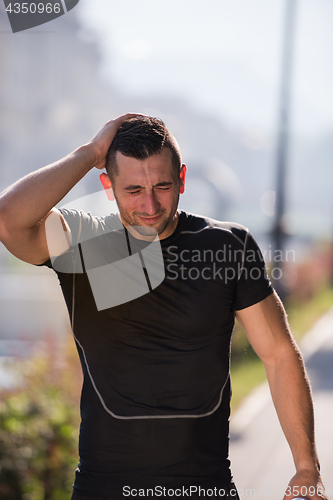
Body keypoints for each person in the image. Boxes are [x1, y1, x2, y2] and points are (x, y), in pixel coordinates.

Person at [0, 114, 327, 500]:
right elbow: (9, 221)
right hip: (103, 488)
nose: (150, 204)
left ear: (183, 179)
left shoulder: (227, 246)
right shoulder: (83, 242)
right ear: (108, 185)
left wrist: (307, 467)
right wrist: (90, 153)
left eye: (163, 186)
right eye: (134, 189)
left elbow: (278, 355)